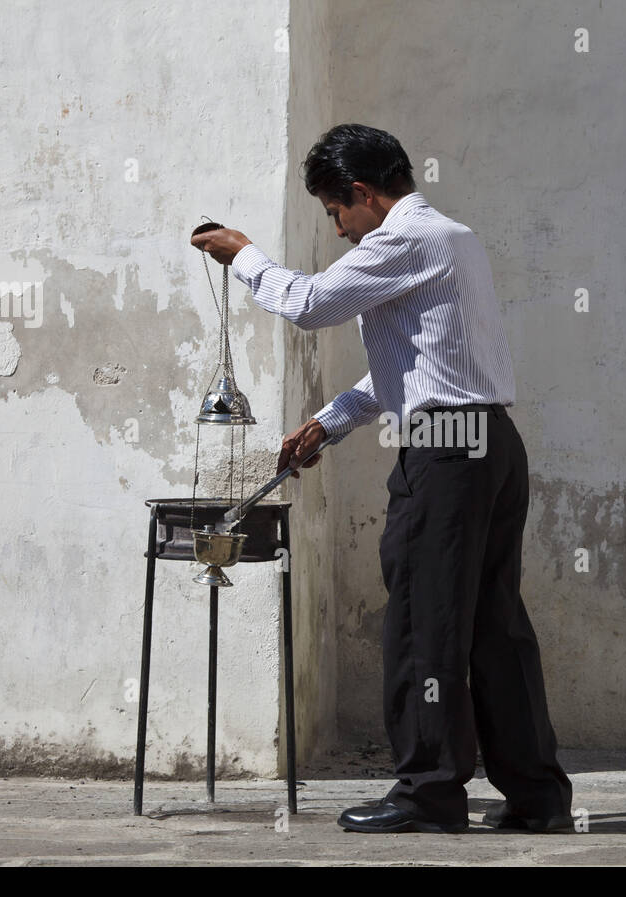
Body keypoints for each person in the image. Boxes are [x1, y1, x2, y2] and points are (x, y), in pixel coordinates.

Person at [190, 123, 573, 834]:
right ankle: (537, 793)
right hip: (488, 442)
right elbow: (423, 359)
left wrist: (243, 257)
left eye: (336, 213)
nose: (338, 230)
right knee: (492, 625)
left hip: (447, 454)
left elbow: (308, 305)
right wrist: (331, 420)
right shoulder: (452, 238)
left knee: (424, 623)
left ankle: (428, 791)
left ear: (364, 194)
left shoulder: (403, 240)